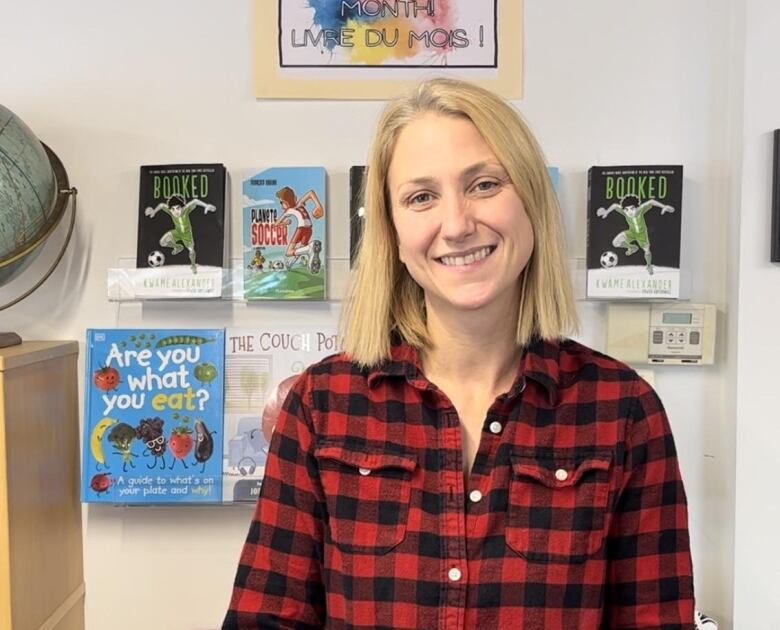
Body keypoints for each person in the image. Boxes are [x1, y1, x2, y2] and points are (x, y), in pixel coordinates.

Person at [223, 78, 695, 628]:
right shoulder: (321, 404)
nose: (456, 225)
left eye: (485, 184)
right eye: (421, 197)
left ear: (532, 203)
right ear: (393, 231)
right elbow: (266, 618)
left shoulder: (623, 409)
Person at [597, 194, 676, 275]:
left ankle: (649, 266)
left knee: (647, 250)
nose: (629, 212)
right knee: (615, 243)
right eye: (627, 209)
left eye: (632, 208)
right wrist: (606, 211)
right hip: (631, 232)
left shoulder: (640, 209)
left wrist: (663, 206)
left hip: (642, 235)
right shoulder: (625, 212)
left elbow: (652, 201)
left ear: (637, 207)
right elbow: (614, 205)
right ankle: (632, 247)